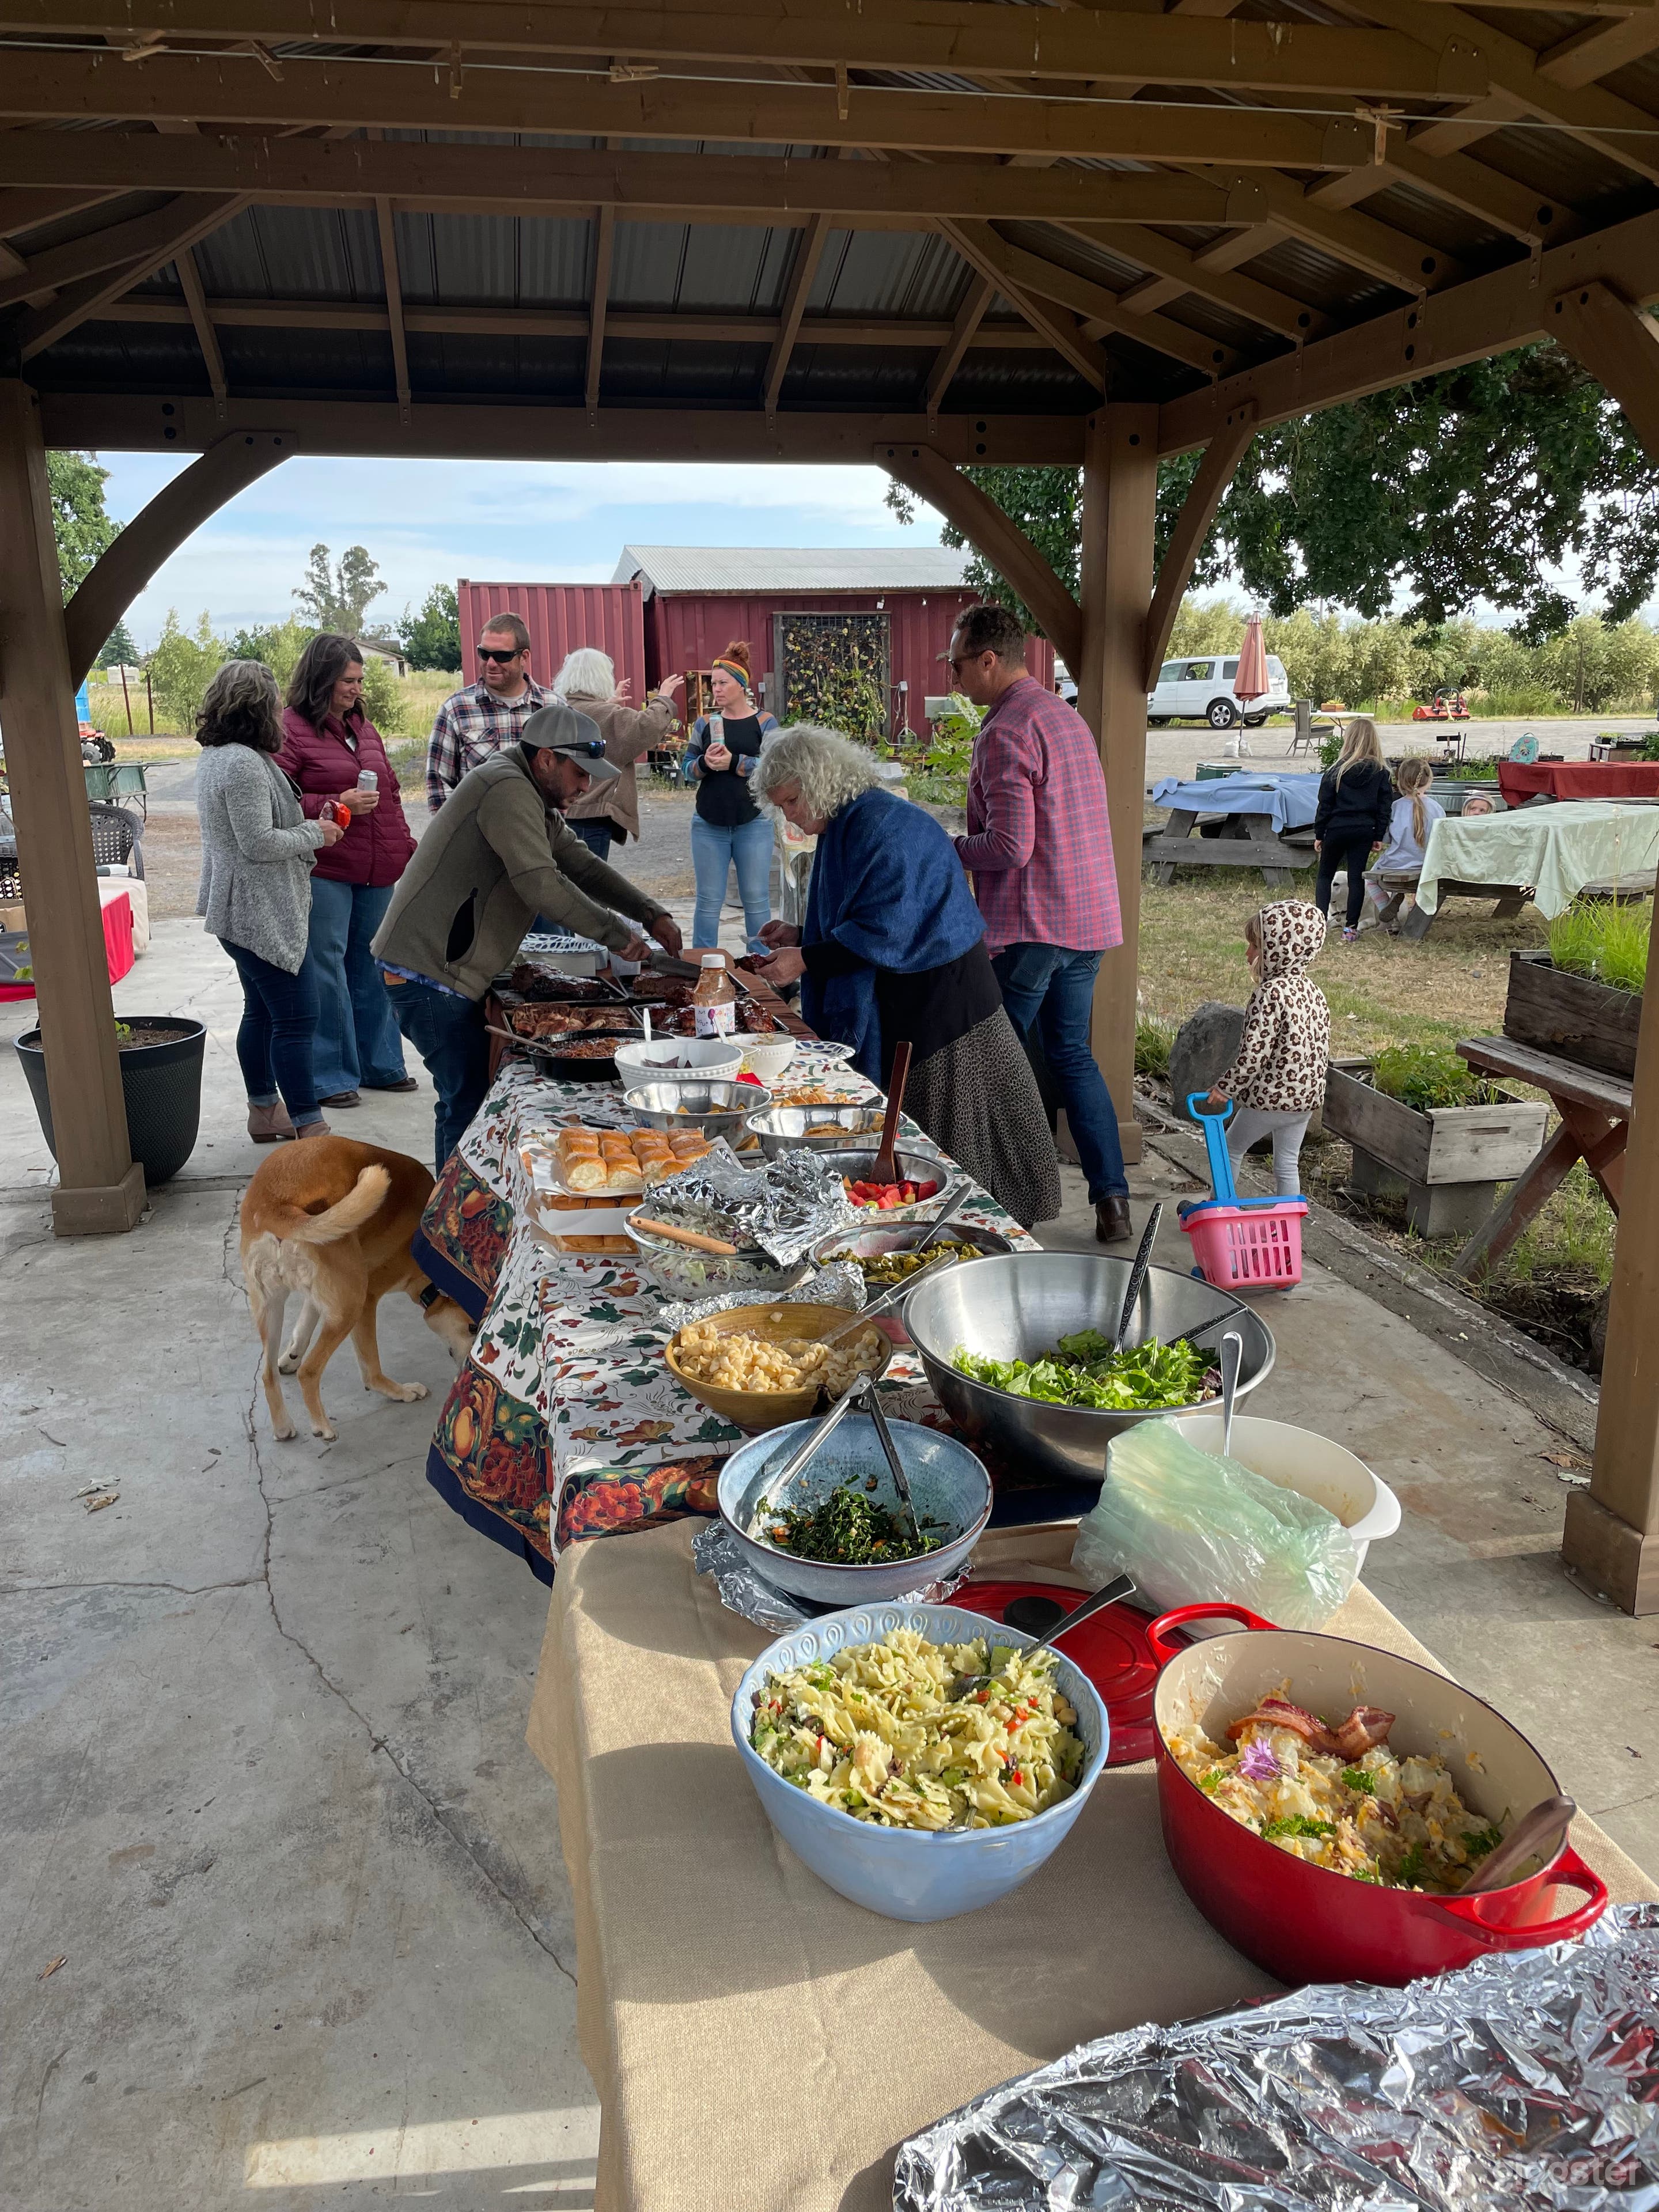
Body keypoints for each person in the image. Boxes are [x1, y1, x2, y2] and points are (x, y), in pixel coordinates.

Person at [752, 725, 1061, 1229]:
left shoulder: (885, 827)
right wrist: (802, 933)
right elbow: (858, 914)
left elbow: (889, 928)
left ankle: (977, 1230)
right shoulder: (847, 822)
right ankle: (936, 1224)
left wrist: (806, 959)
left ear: (819, 783)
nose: (789, 816)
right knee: (925, 1128)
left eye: (790, 801)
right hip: (914, 991)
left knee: (953, 1135)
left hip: (943, 1000)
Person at [374, 702, 685, 1170]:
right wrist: (618, 936)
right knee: (467, 1102)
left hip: (445, 968)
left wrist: (649, 912)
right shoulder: (507, 788)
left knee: (465, 1099)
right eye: (580, 774)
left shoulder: (530, 791)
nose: (585, 787)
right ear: (546, 759)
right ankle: (446, 1230)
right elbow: (541, 882)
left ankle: (448, 1220)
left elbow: (581, 865)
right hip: (429, 971)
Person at [945, 601, 1131, 1244]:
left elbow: (1009, 846)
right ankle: (1113, 1203)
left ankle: (1007, 1204)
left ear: (989, 660)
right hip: (1089, 920)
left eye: (958, 664)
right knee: (1073, 1058)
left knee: (998, 1065)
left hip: (1032, 926)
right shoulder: (1064, 715)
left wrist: (947, 850)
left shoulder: (1004, 729)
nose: (953, 679)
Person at [194, 658, 345, 1143]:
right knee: (298, 1016)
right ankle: (309, 1126)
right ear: (259, 707)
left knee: (261, 1012)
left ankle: (265, 1112)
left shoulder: (220, 756)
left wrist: (304, 825)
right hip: (257, 912)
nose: (283, 709)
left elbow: (254, 833)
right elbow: (257, 843)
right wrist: (315, 833)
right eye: (276, 701)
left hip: (241, 909)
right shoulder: (240, 762)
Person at [276, 631, 418, 1109]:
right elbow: (281, 801)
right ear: (320, 681)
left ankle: (381, 1064)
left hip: (376, 868)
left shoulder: (365, 727)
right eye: (347, 681)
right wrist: (336, 805)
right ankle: (332, 1076)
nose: (356, 689)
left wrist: (406, 845)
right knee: (326, 968)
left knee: (374, 963)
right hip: (326, 866)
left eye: (359, 680)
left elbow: (391, 794)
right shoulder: (290, 730)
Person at [1200, 902, 1330, 1198]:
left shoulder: (1269, 995)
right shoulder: (1313, 991)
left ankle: (1219, 1208)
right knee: (1287, 1164)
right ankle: (1289, 1229)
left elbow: (1253, 1054)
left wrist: (1225, 1089)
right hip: (1306, 1100)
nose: (1248, 954)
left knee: (1231, 1149)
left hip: (1271, 1099)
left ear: (1279, 948)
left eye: (1255, 946)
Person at [683, 641, 778, 952]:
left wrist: (735, 763)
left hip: (754, 822)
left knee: (756, 900)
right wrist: (704, 764)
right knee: (709, 902)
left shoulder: (765, 722)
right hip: (709, 823)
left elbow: (776, 767)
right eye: (714, 683)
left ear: (741, 686)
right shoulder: (706, 723)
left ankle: (762, 967)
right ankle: (702, 968)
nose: (716, 689)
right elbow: (686, 770)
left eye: (723, 683)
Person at [554, 647, 685, 862]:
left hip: (564, 812)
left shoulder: (561, 708)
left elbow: (594, 717)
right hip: (591, 815)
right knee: (587, 887)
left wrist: (605, 703)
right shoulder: (605, 714)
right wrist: (663, 699)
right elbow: (645, 728)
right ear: (601, 678)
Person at [425, 611, 550, 811]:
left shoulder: (553, 708)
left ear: (524, 657)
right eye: (484, 654)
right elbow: (438, 785)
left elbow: (568, 783)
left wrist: (553, 834)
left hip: (541, 838)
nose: (491, 663)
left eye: (501, 656)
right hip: (477, 840)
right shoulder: (456, 710)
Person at [1314, 717, 1394, 941]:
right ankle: (1351, 928)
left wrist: (1319, 833)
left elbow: (1325, 804)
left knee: (1325, 875)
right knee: (1356, 877)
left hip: (1336, 828)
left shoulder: (1335, 772)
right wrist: (1379, 834)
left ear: (1348, 739)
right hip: (1364, 830)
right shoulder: (1382, 772)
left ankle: (1319, 924)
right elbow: (1384, 808)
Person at [1365, 755, 1444, 933]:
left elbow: (1386, 839)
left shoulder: (1395, 807)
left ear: (1399, 781)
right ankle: (1413, 913)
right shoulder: (1436, 808)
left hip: (1396, 863)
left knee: (1372, 879)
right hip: (1426, 865)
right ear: (1429, 781)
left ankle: (1389, 915)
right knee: (1422, 882)